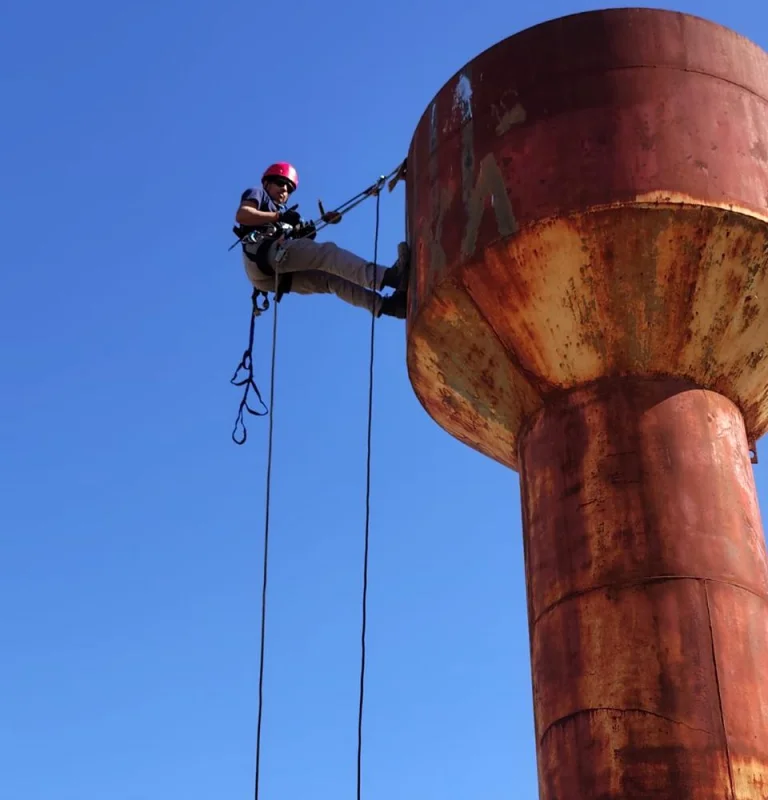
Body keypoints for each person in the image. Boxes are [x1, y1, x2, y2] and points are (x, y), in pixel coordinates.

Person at [234, 162, 409, 318]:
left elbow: (300, 248)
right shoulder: (259, 193)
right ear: (267, 183)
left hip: (268, 275)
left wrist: (306, 231)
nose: (284, 191)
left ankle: (390, 307)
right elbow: (243, 215)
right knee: (328, 254)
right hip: (261, 255)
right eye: (280, 184)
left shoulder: (285, 215)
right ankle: (392, 278)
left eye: (289, 189)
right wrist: (279, 216)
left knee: (331, 279)